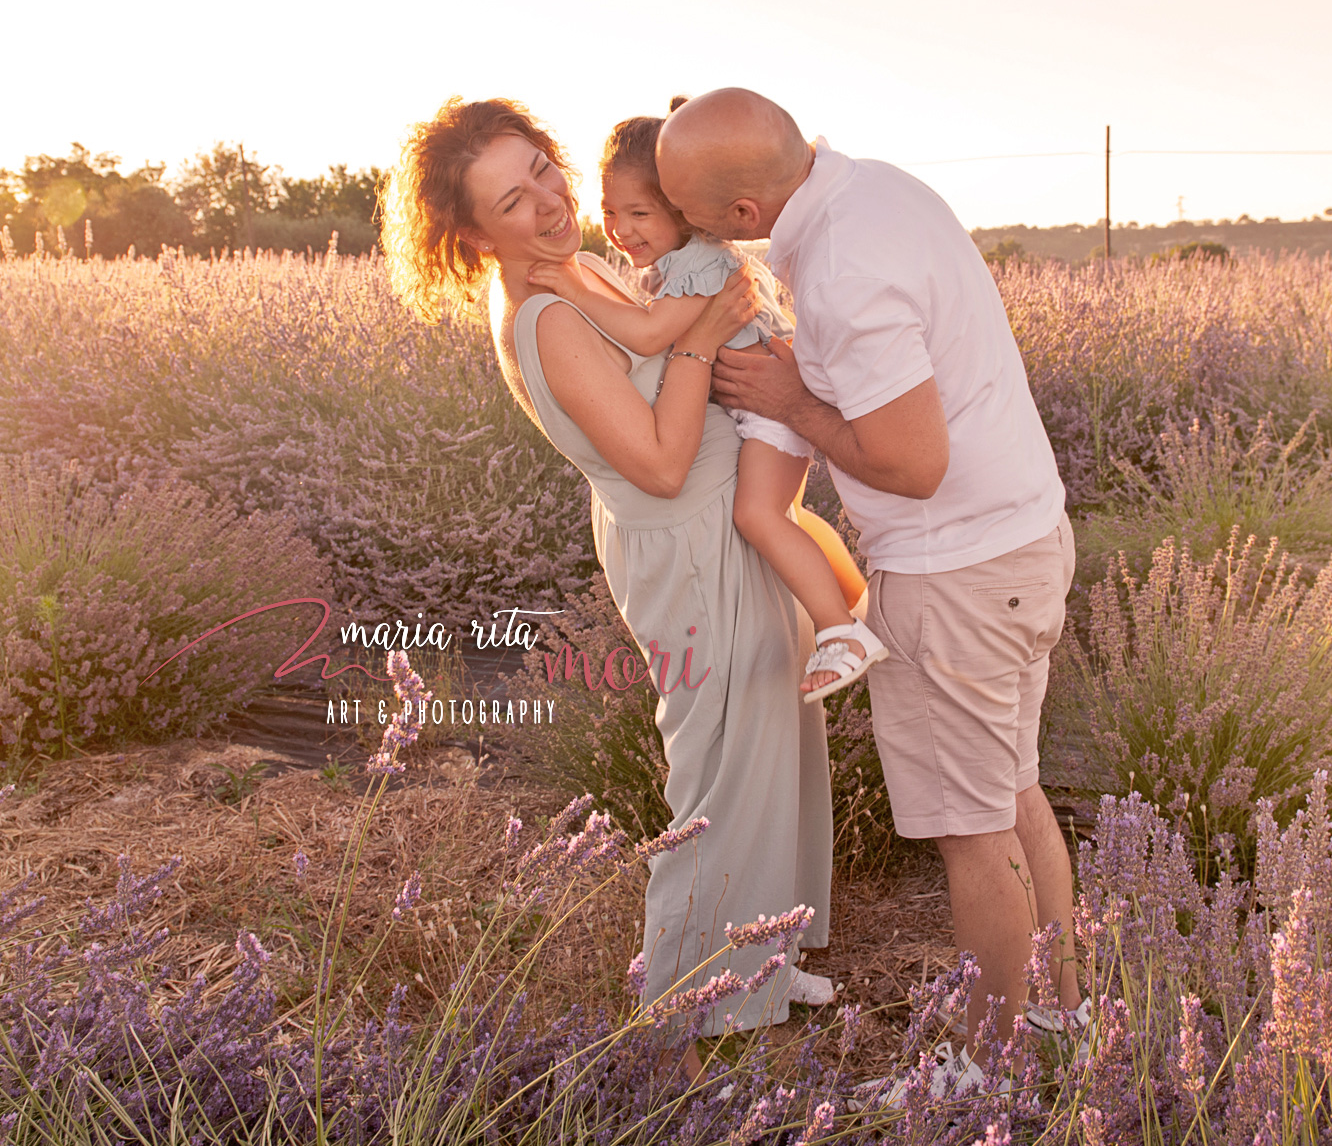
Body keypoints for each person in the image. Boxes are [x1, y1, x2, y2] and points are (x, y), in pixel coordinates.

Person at [379, 97, 835, 1081]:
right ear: (468, 234)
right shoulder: (543, 316)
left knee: (768, 734)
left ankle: (759, 960)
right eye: (514, 196)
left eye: (543, 166)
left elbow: (659, 335)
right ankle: (691, 996)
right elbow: (663, 461)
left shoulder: (572, 267)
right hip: (690, 536)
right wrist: (708, 332)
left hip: (717, 522)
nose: (549, 199)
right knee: (716, 765)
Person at [657, 88, 1083, 1093]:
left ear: (746, 216)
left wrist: (791, 397)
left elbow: (911, 461)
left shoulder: (842, 267)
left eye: (703, 220)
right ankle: (1066, 1017)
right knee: (1013, 794)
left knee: (973, 834)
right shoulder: (877, 189)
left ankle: (989, 1071)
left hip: (954, 579)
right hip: (1022, 543)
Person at [523, 103, 885, 702]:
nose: (619, 229)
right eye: (609, 211)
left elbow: (645, 335)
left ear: (681, 212)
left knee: (759, 516)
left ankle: (841, 634)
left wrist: (568, 285)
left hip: (770, 412)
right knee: (787, 516)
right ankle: (858, 605)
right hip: (761, 410)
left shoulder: (704, 264)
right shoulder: (679, 264)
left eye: (639, 213)